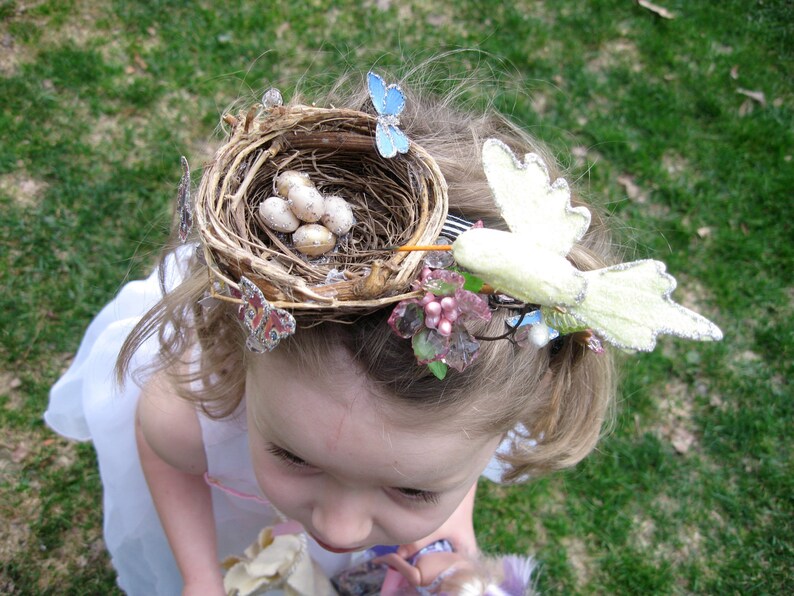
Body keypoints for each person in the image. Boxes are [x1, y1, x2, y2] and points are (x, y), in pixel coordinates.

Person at [44, 69, 721, 595]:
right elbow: (166, 457)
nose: (340, 533)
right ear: (239, 358)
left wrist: (454, 539)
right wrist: (199, 575)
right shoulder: (187, 416)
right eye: (294, 456)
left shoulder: (474, 390)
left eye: (416, 489)